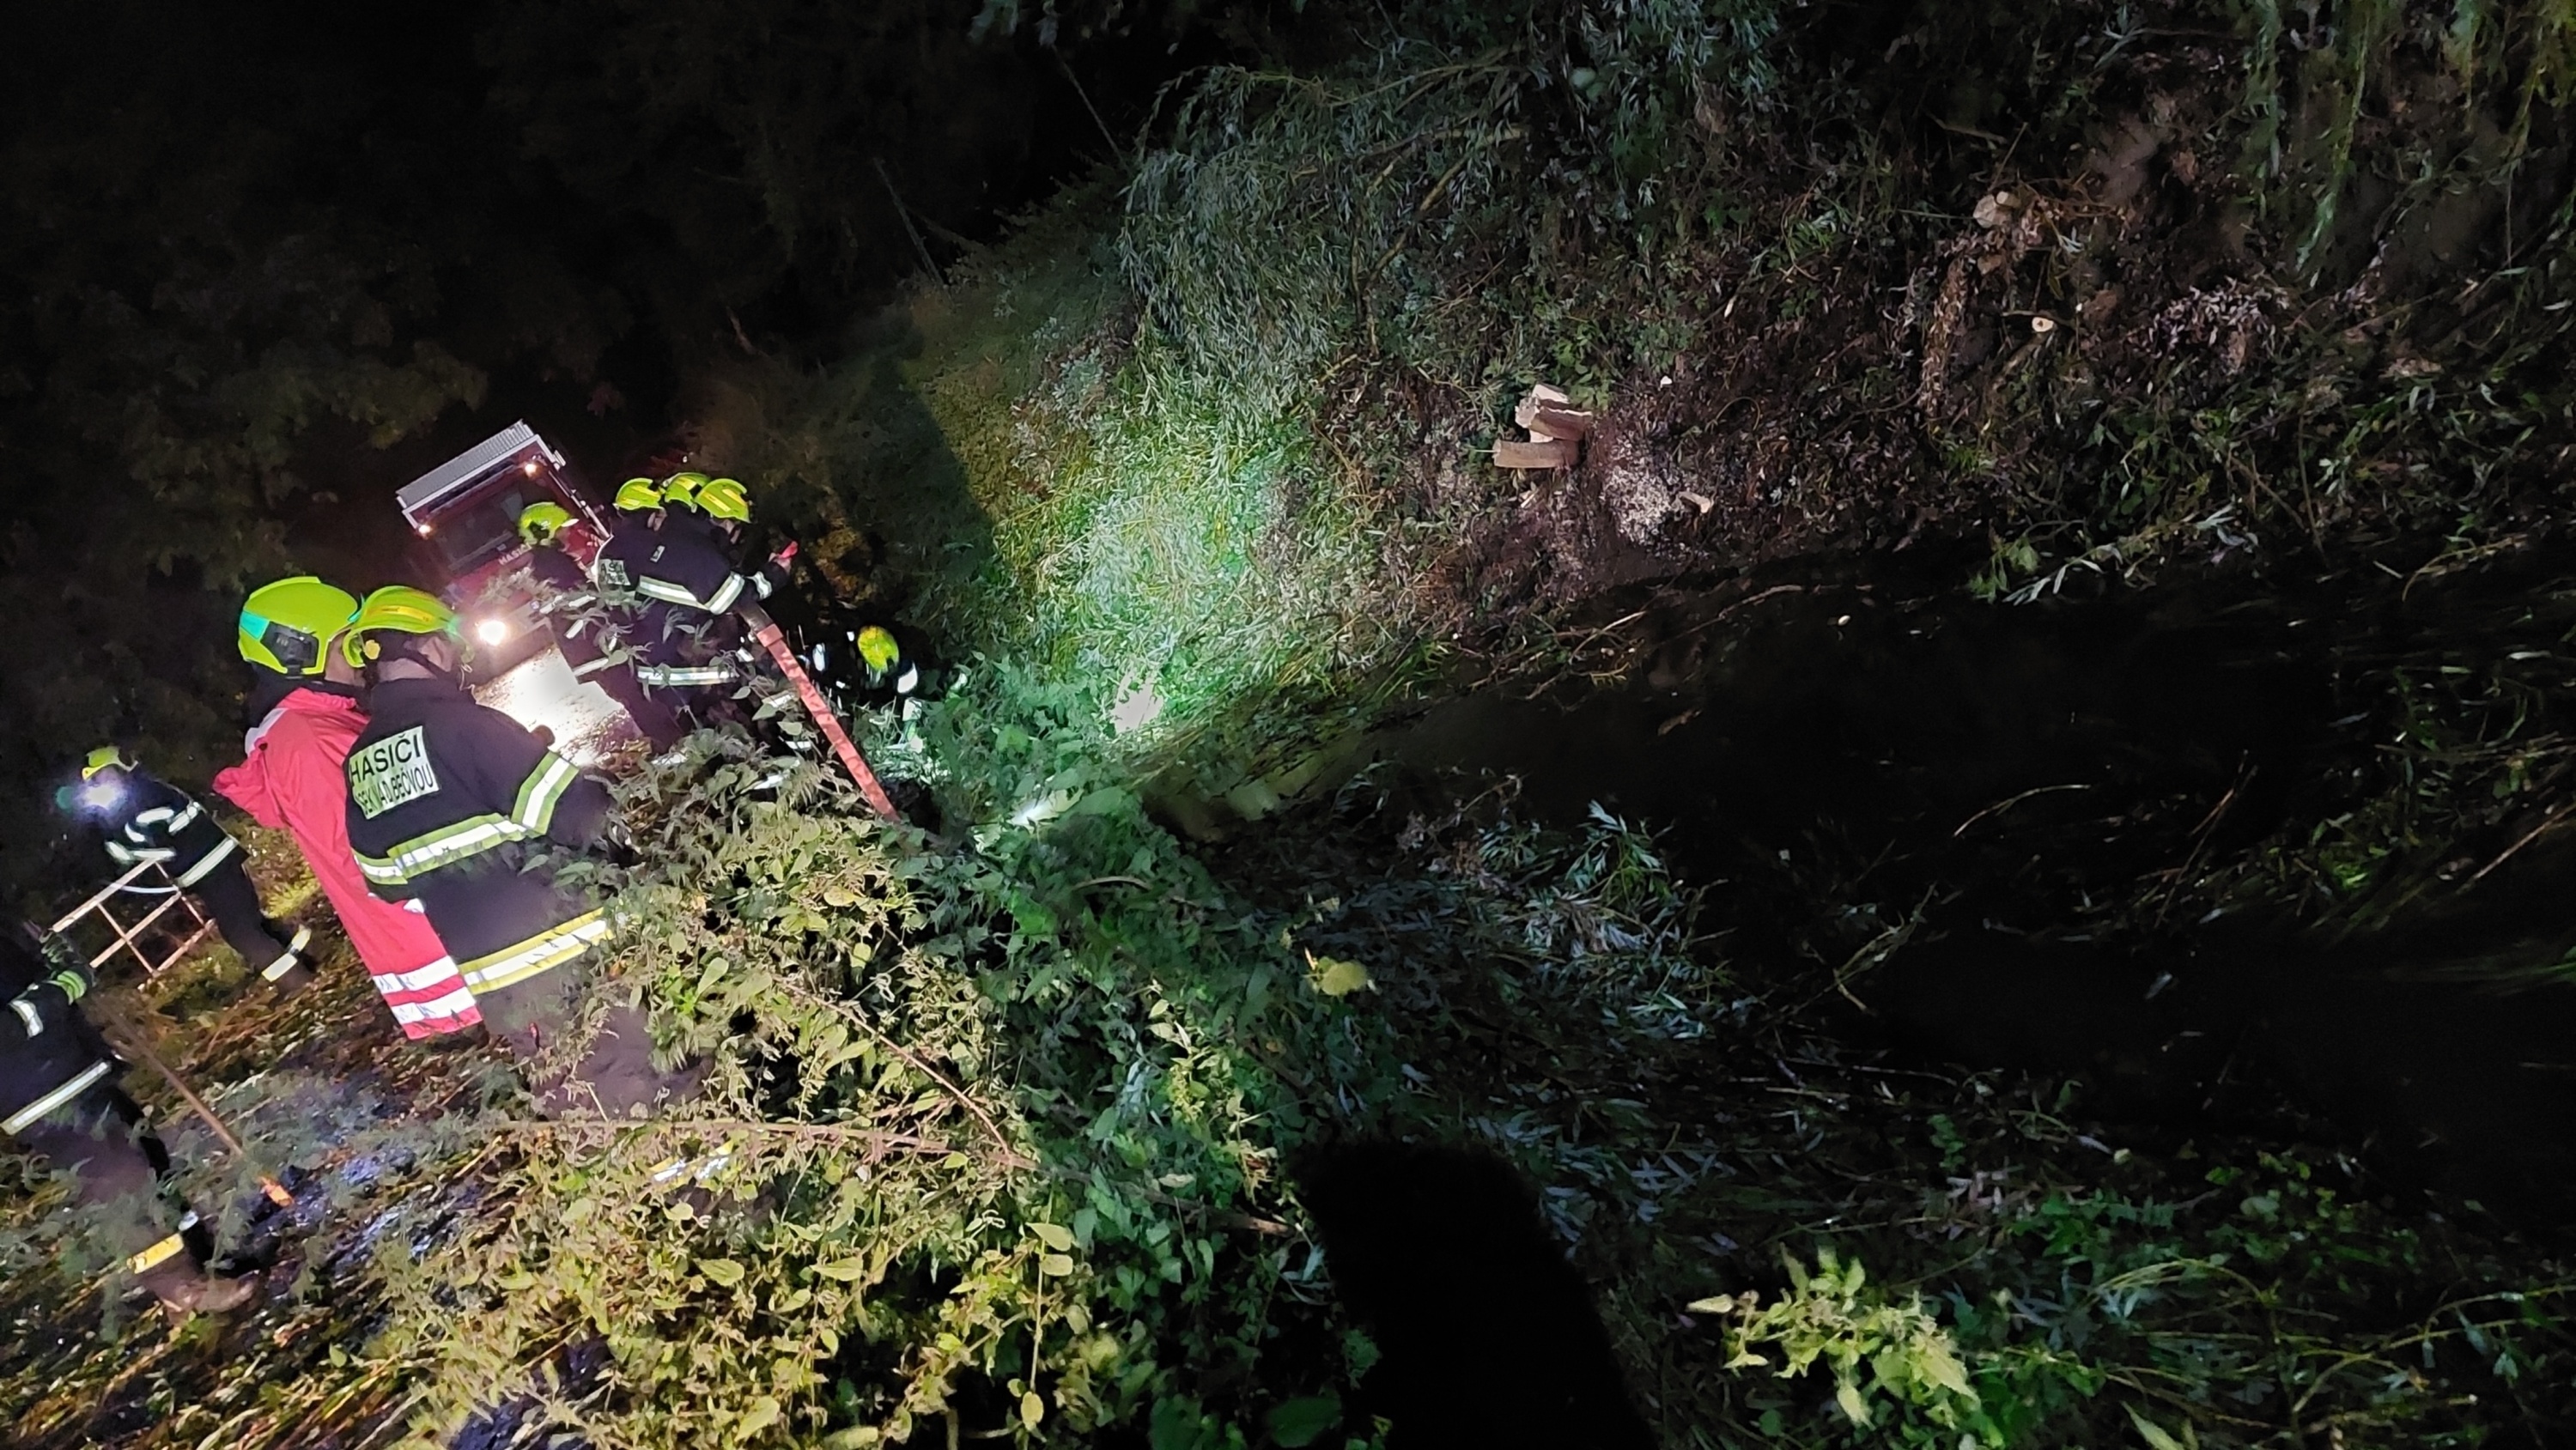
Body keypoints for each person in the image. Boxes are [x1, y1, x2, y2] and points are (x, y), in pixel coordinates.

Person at [337, 586, 693, 1115]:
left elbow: (388, 884)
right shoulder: (464, 726)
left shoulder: (361, 764)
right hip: (577, 952)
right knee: (660, 1085)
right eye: (452, 648)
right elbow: (583, 815)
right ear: (431, 647)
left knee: (579, 1104)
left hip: (498, 986)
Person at [211, 576, 480, 1041]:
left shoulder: (324, 720)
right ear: (298, 655)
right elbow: (358, 852)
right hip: (438, 948)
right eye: (347, 646)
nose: (364, 659)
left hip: (442, 939)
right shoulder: (306, 740)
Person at [3, 927, 257, 1314]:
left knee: (149, 1158)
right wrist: (63, 985)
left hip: (68, 1064)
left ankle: (201, 1256)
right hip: (34, 1090)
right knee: (119, 1178)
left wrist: (49, 960)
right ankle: (178, 1286)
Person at [67, 750, 315, 994]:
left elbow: (162, 850)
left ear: (122, 769)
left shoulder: (145, 798)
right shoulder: (143, 797)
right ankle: (307, 955)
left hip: (211, 867)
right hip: (212, 866)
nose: (102, 785)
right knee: (250, 922)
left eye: (104, 777)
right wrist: (117, 840)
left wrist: (122, 848)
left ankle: (297, 984)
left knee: (241, 933)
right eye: (95, 782)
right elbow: (142, 844)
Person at [518, 501, 683, 750]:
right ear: (544, 532)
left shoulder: (546, 564)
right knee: (638, 698)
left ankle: (670, 742)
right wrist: (623, 620)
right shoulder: (552, 566)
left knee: (635, 698)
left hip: (591, 650)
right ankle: (673, 745)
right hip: (596, 649)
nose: (567, 533)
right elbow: (587, 604)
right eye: (561, 529)